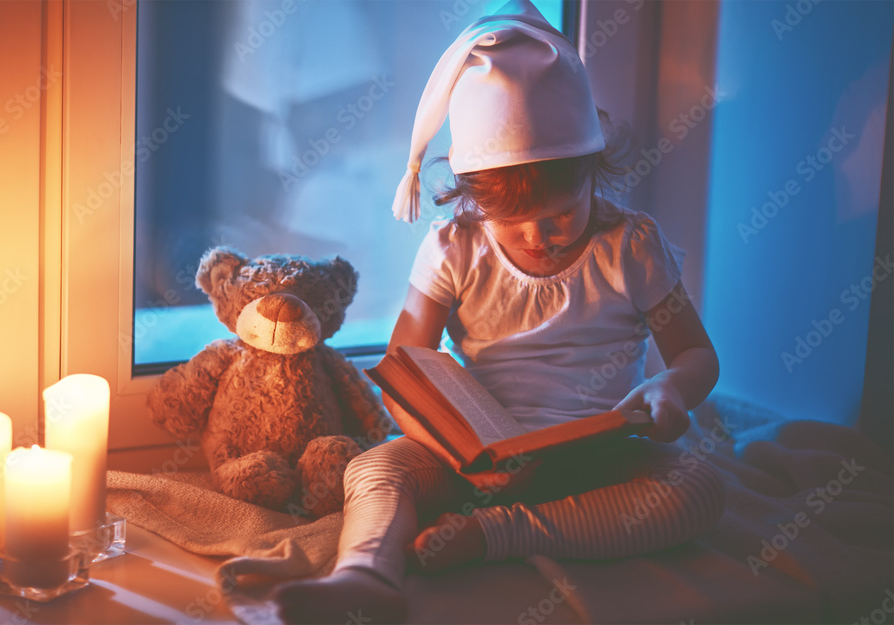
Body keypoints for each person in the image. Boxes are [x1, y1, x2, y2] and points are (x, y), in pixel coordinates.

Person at [274, 1, 725, 623]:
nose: (540, 237)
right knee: (378, 465)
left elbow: (697, 355)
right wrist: (448, 447)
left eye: (562, 213)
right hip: (474, 461)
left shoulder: (630, 245)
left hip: (599, 456)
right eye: (512, 224)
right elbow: (406, 371)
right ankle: (366, 573)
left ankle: (505, 534)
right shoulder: (454, 249)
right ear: (472, 197)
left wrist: (669, 388)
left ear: (594, 169)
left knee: (696, 489)